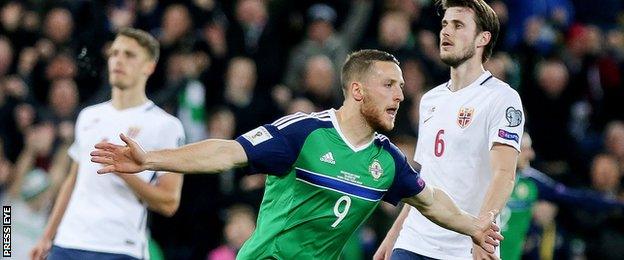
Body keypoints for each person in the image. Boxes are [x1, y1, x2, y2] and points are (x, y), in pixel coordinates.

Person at [91, 49, 502, 259]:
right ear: (357, 91)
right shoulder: (304, 132)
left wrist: (474, 227)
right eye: (389, 85)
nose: (401, 94)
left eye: (400, 86)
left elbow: (431, 202)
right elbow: (227, 153)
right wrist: (150, 160)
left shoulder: (387, 161)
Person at [375, 0, 524, 259]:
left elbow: (504, 174)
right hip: (414, 242)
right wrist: (394, 234)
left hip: (464, 247)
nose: (445, 32)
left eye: (458, 25)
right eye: (444, 24)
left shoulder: (502, 98)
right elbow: (424, 180)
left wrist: (481, 230)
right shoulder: (430, 100)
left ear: (483, 38)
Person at [30, 28, 185, 260]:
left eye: (129, 55)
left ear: (149, 66)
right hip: (68, 242)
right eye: (114, 53)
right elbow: (73, 181)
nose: (118, 60)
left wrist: (122, 171)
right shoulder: (88, 116)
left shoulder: (165, 125)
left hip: (119, 247)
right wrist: (47, 236)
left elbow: (169, 202)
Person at [501, 133, 624, 260]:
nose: (532, 155)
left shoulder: (532, 181)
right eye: (526, 149)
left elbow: (576, 197)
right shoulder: (485, 177)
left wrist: (616, 203)